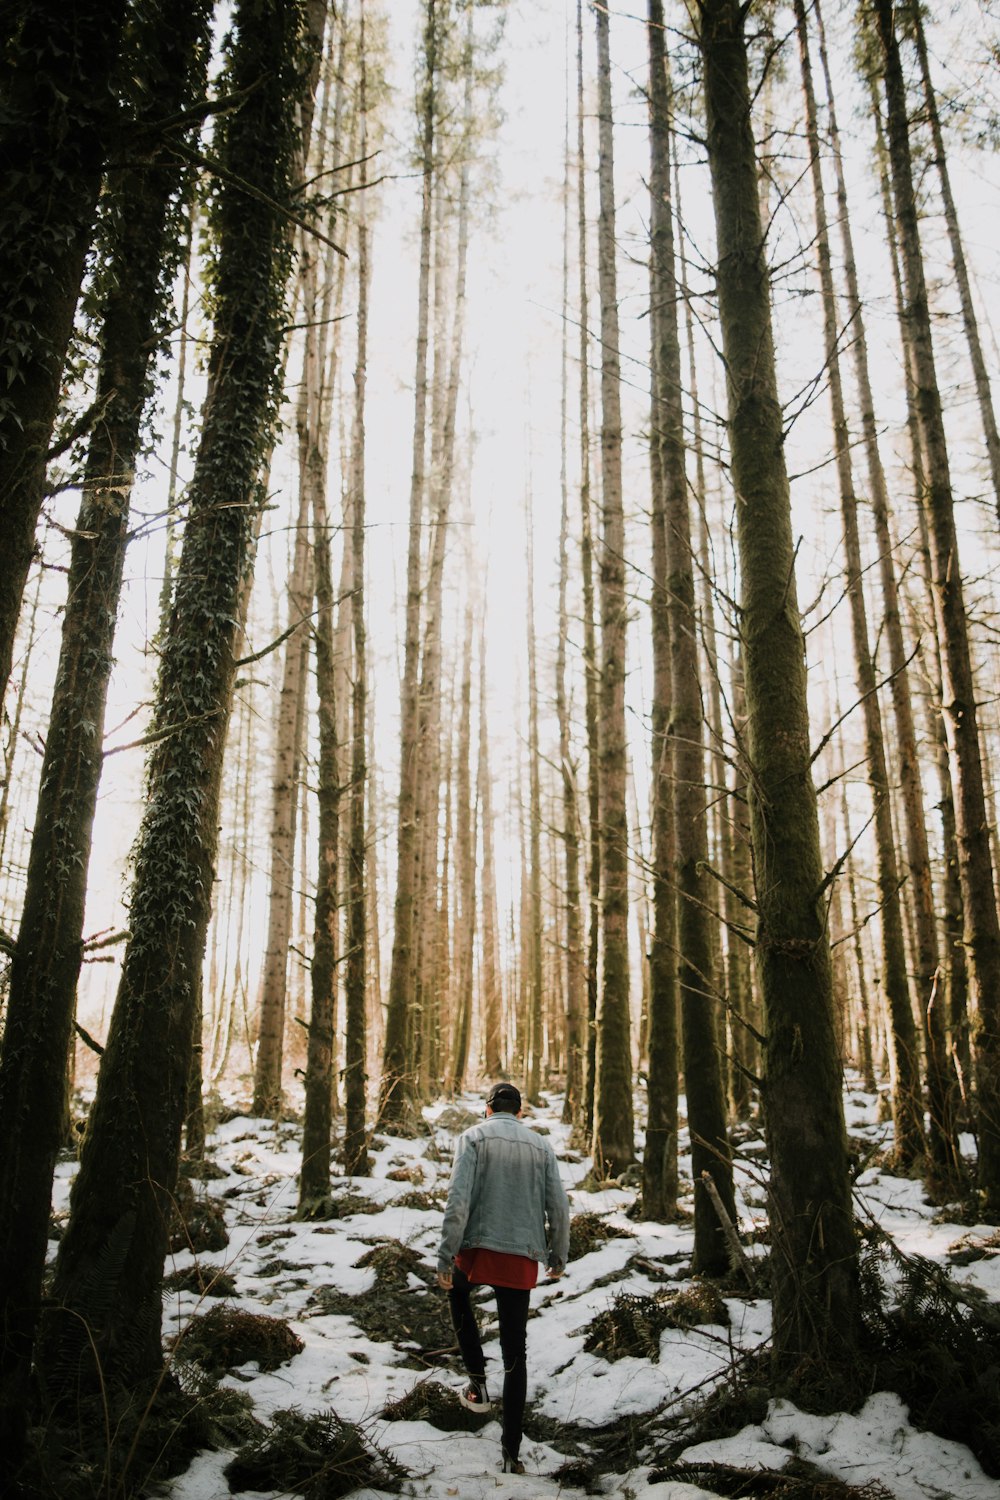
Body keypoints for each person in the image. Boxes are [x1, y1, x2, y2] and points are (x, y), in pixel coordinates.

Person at [437, 1081, 570, 1475]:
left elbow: (457, 1201)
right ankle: (511, 1452)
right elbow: (558, 1206)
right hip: (521, 1255)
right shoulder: (541, 1146)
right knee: (516, 1353)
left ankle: (477, 1383)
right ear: (521, 1112)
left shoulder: (473, 1137)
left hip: (476, 1249)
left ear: (487, 1109)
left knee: (457, 1292)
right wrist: (558, 1254)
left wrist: (446, 1256)